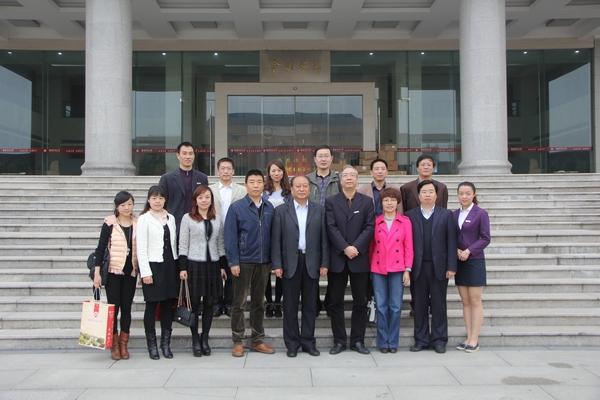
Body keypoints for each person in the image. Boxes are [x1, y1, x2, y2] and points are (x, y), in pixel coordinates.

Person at [271, 175, 329, 357]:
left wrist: (324, 262)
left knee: (310, 306)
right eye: (298, 186)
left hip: (311, 262)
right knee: (289, 306)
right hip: (289, 263)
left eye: (305, 186)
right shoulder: (281, 211)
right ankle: (292, 344)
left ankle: (308, 342)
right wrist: (277, 264)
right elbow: (276, 240)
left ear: (310, 189)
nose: (302, 189)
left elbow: (324, 240)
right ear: (292, 189)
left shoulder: (319, 210)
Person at [225, 169, 275, 357]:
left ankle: (257, 339)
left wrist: (272, 260)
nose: (255, 185)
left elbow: (273, 236)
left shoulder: (269, 207)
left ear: (264, 185)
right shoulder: (236, 208)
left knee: (259, 302)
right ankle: (238, 341)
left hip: (263, 262)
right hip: (243, 261)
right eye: (252, 182)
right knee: (239, 303)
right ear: (246, 185)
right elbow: (230, 237)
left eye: (259, 182)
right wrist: (233, 261)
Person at [325, 165, 375, 355]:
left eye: (352, 175)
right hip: (338, 258)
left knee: (360, 302)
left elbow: (370, 227)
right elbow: (330, 227)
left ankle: (357, 341)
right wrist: (345, 247)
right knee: (335, 302)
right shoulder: (331, 201)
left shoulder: (367, 201)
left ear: (357, 179)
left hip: (359, 259)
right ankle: (339, 341)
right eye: (345, 175)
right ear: (340, 180)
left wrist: (356, 247)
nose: (348, 178)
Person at [405, 180, 457, 354]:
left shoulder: (446, 215)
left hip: (439, 267)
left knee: (439, 304)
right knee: (419, 305)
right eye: (424, 192)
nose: (427, 195)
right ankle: (421, 340)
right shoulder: (410, 215)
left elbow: (452, 241)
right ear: (418, 195)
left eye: (431, 192)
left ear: (436, 195)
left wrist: (451, 266)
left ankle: (439, 340)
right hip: (418, 267)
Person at [178, 186, 227, 357]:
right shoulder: (188, 218)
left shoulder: (217, 219)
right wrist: (182, 267)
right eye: (200, 198)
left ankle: (205, 337)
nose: (204, 200)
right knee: (194, 303)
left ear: (211, 200)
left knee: (209, 303)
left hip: (212, 264)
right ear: (195, 201)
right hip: (194, 264)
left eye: (207, 197)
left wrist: (222, 265)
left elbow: (220, 243)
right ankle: (195, 339)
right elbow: (183, 243)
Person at [92, 191, 138, 360]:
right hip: (113, 272)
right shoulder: (110, 223)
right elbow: (100, 248)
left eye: (130, 204)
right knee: (114, 308)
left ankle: (124, 345)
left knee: (126, 308)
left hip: (130, 272)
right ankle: (114, 345)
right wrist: (97, 273)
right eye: (123, 205)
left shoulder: (137, 223)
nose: (127, 208)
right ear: (117, 207)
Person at [400, 154, 448, 316]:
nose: (426, 167)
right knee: (418, 282)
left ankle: (434, 307)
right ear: (417, 168)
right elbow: (404, 212)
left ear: (433, 167)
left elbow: (443, 210)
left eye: (429, 164)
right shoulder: (407, 188)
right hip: (415, 235)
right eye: (423, 164)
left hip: (435, 235)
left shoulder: (442, 187)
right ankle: (417, 307)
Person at [369, 188, 413, 354]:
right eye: (386, 200)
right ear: (381, 202)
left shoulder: (405, 222)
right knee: (381, 306)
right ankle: (382, 341)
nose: (389, 203)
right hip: (378, 268)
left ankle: (392, 341)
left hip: (398, 268)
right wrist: (370, 267)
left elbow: (408, 247)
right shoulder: (375, 222)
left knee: (395, 306)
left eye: (392, 200)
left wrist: (407, 269)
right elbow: (371, 247)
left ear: (397, 202)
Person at [137, 185, 179, 360]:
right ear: (148, 200)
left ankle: (165, 344)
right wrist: (145, 273)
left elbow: (174, 244)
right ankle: (152, 345)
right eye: (154, 198)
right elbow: (141, 248)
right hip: (153, 266)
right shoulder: (144, 219)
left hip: (170, 266)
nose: (157, 201)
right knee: (152, 306)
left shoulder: (170, 218)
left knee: (168, 306)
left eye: (161, 198)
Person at [453, 182, 490, 353]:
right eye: (461, 193)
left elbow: (485, 238)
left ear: (474, 194)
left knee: (475, 300)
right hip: (459, 261)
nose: (464, 196)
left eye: (468, 193)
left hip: (474, 261)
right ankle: (468, 337)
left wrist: (469, 251)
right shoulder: (454, 214)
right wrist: (457, 250)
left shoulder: (480, 213)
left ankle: (474, 339)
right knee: (465, 301)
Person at [209, 157, 247, 318]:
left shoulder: (242, 190)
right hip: (214, 234)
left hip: (235, 235)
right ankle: (217, 304)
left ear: (233, 171)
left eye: (229, 168)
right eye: (223, 168)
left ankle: (230, 303)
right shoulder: (209, 190)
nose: (226, 171)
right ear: (218, 171)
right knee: (216, 271)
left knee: (233, 272)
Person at [307, 145, 341, 315]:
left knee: (333, 268)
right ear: (314, 159)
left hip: (333, 229)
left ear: (331, 158)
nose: (323, 159)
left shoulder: (339, 180)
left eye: (326, 156)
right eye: (320, 156)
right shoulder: (307, 180)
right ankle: (314, 303)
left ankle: (330, 302)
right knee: (311, 267)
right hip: (311, 229)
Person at [158, 141, 209, 233]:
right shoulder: (167, 178)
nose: (188, 157)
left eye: (190, 153)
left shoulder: (202, 178)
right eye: (184, 153)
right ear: (178, 155)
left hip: (197, 224)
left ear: (194, 155)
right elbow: (161, 201)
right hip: (174, 224)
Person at [263, 159, 292, 318]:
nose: (276, 173)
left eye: (279, 170)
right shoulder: (263, 191)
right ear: (269, 173)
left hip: (284, 234)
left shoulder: (289, 192)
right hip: (266, 234)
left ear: (283, 172)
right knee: (266, 270)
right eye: (273, 170)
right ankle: (269, 302)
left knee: (281, 269)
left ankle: (278, 302)